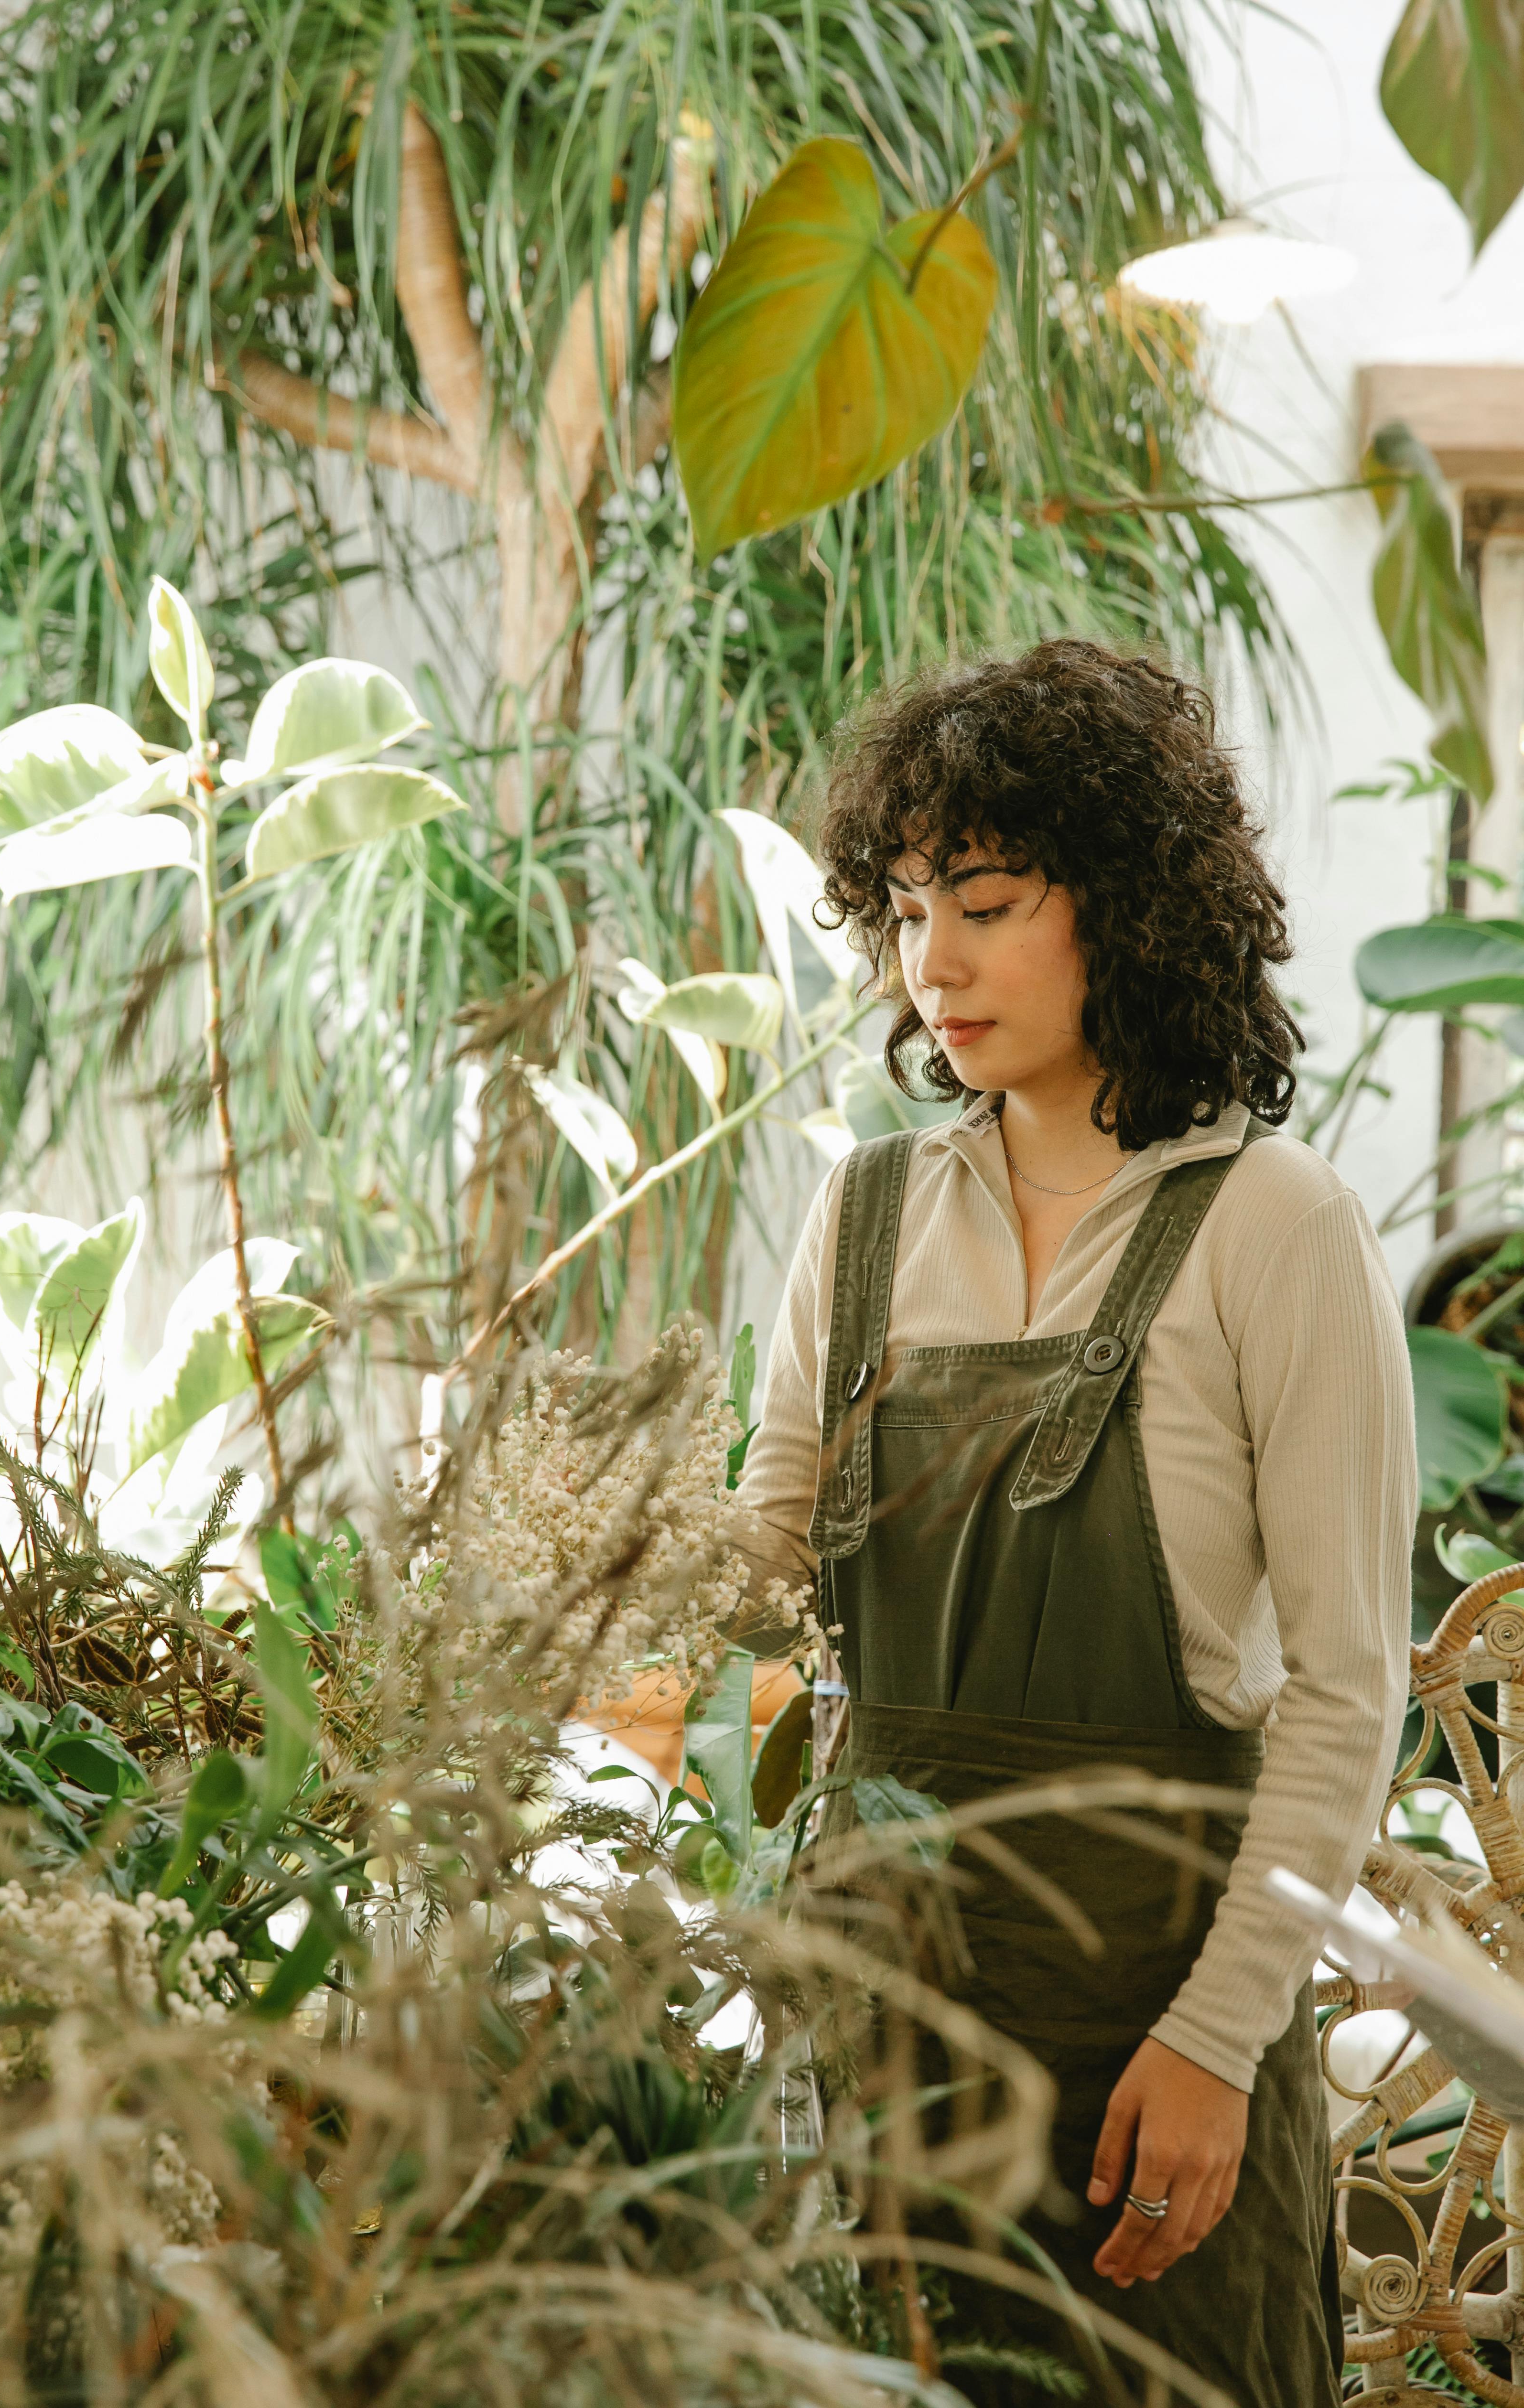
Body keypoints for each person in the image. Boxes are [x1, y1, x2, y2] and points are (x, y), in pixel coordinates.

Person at [734, 639, 1415, 2400]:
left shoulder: (1277, 1227)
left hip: (1154, 2039)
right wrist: (561, 1579)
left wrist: (1216, 2038)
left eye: (986, 901)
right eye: (900, 908)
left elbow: (1348, 1690)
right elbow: (763, 1556)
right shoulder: (868, 1217)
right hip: (892, 2041)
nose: (929, 962)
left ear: (1121, 902)